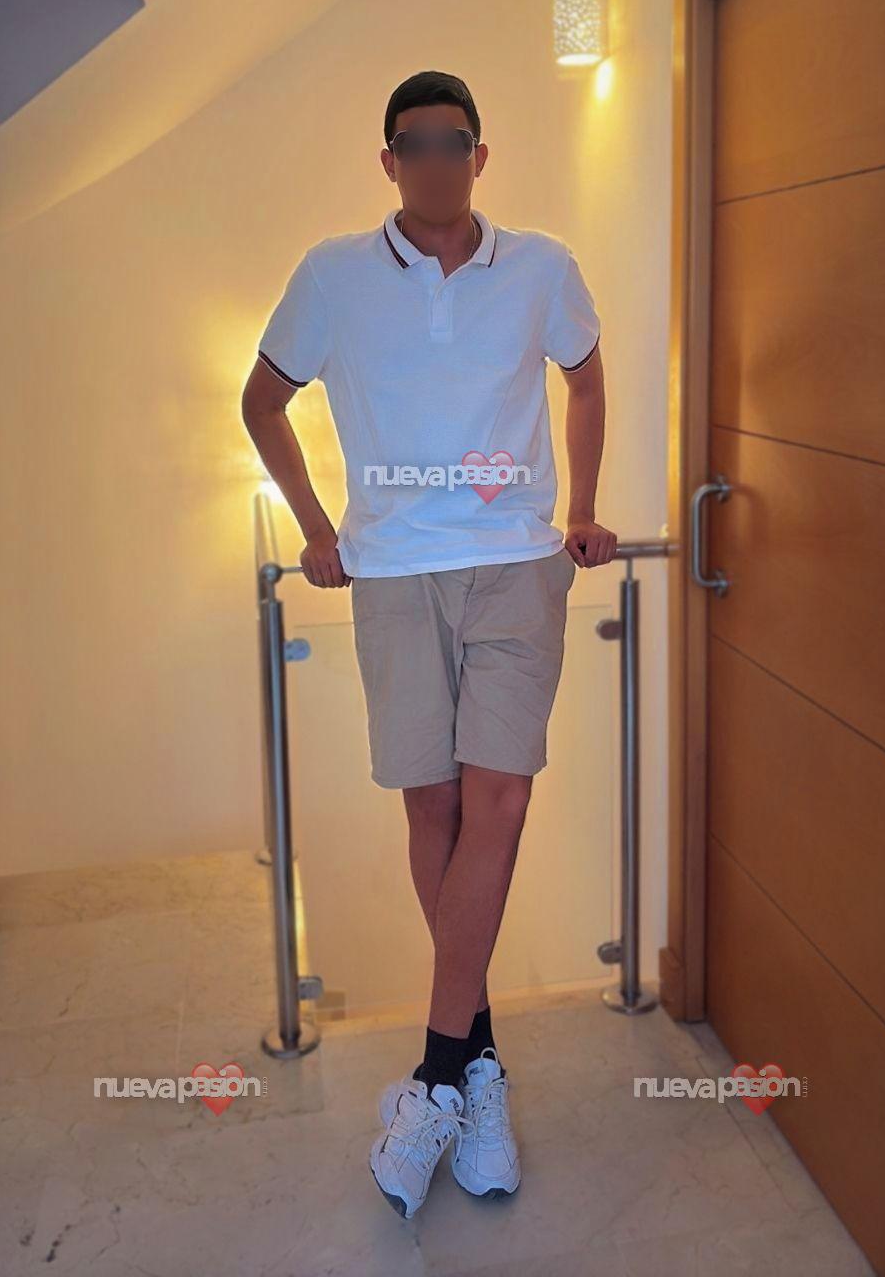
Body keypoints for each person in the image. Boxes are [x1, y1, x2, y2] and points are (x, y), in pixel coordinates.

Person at [241, 70, 616, 1219]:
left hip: (515, 562)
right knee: (435, 809)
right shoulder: (332, 274)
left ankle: (438, 1078)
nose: (438, 160)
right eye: (417, 143)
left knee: (501, 798)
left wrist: (581, 506)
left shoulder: (542, 266)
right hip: (394, 571)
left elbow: (585, 377)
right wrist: (316, 530)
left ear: (481, 156)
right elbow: (262, 400)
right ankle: (479, 1066)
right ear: (389, 160)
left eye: (456, 141)